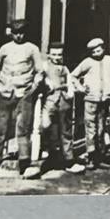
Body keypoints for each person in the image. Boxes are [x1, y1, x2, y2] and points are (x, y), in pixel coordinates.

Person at [0, 19, 45, 180]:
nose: (19, 36)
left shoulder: (32, 49)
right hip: (4, 94)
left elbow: (39, 72)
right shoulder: (4, 48)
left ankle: (24, 167)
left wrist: (31, 89)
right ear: (11, 32)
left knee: (23, 131)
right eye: (15, 32)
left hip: (23, 95)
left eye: (22, 32)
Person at [71, 38, 110, 170]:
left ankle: (100, 155)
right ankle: (91, 156)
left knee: (102, 127)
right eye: (93, 51)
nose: (96, 53)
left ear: (103, 48)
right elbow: (73, 75)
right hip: (91, 99)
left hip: (105, 99)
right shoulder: (87, 62)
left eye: (98, 50)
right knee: (91, 128)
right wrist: (81, 88)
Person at [36, 42, 84, 176]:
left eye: (59, 54)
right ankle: (46, 150)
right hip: (50, 100)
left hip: (64, 101)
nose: (57, 57)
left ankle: (68, 160)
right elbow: (40, 76)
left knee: (66, 130)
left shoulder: (65, 68)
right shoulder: (45, 66)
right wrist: (46, 82)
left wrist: (70, 92)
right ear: (49, 54)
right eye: (54, 54)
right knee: (46, 125)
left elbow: (69, 81)